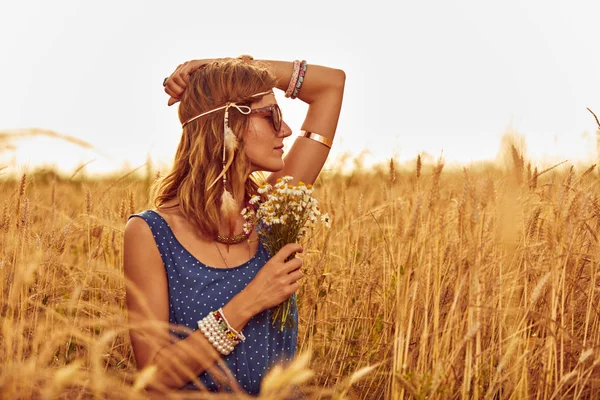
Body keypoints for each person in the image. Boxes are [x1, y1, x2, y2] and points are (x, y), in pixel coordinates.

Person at [123, 55, 345, 396]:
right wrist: (250, 301)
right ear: (228, 121)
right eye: (271, 115)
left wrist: (228, 67)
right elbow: (154, 377)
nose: (284, 129)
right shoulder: (151, 233)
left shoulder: (274, 211)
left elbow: (331, 84)